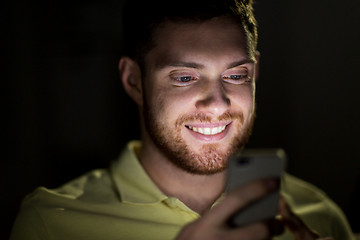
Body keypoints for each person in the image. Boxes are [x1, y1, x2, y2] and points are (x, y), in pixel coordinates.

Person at [10, 0, 356, 239]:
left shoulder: (318, 214)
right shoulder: (52, 224)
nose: (218, 103)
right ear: (134, 81)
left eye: (236, 75)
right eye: (185, 78)